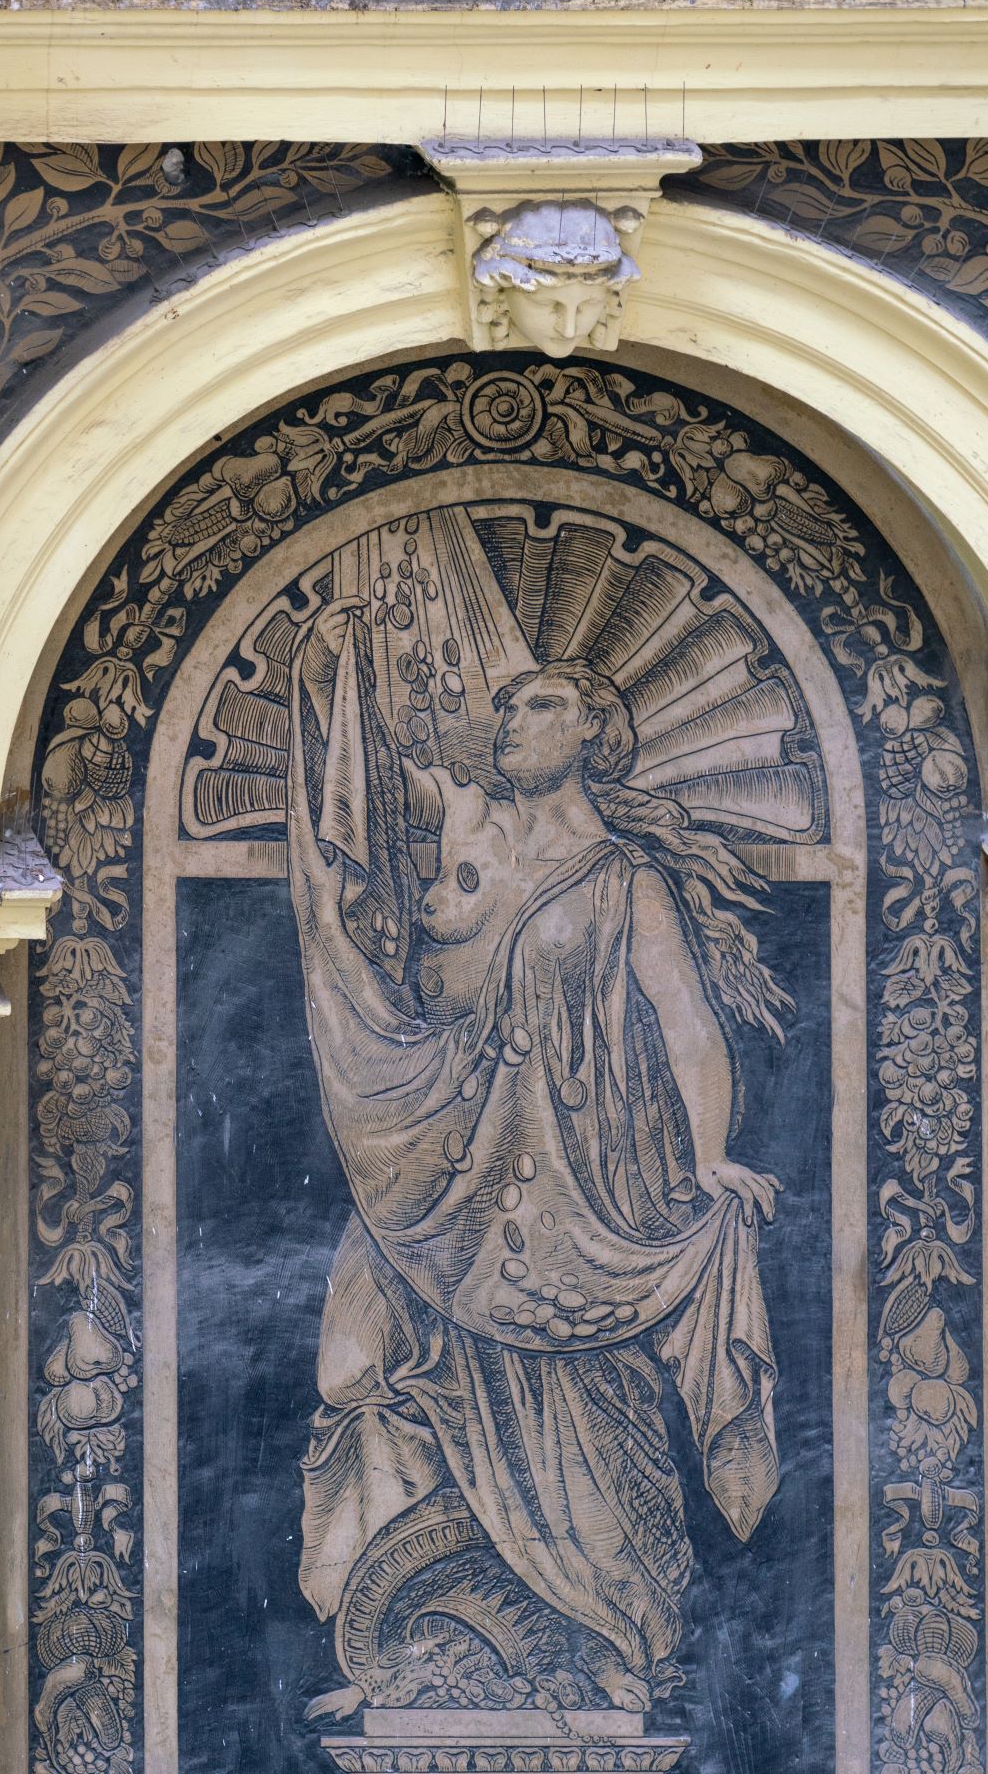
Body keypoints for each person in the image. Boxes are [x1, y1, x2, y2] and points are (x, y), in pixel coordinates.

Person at [288, 598, 787, 1713]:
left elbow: (687, 1020)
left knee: (587, 1408)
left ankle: (609, 1643)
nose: (513, 714)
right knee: (359, 1367)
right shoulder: (459, 842)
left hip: (576, 1201)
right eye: (508, 702)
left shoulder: (624, 882)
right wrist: (329, 683)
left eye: (541, 702)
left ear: (595, 735)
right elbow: (353, 820)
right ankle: (402, 1645)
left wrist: (709, 1156)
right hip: (436, 1168)